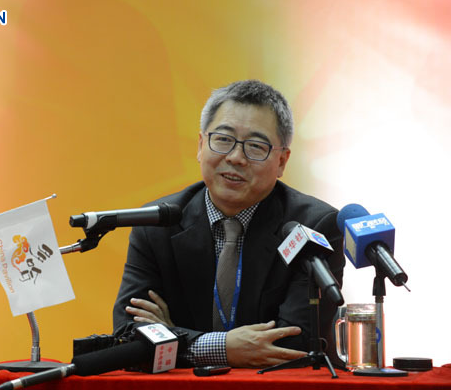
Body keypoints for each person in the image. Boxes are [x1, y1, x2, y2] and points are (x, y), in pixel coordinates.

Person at [112, 80, 345, 368]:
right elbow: (127, 337)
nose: (235, 157)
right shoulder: (156, 223)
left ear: (282, 161)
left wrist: (173, 336)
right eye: (223, 139)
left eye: (256, 147)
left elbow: (296, 345)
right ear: (200, 145)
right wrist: (222, 347)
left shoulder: (314, 226)